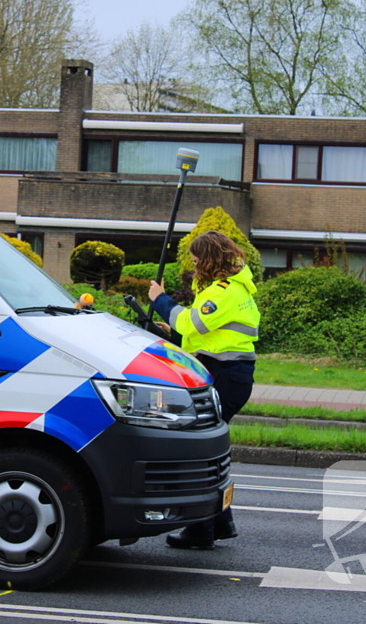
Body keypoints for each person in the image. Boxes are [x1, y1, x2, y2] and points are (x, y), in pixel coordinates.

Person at [147, 230, 259, 550]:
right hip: (225, 373)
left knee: (196, 452)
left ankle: (201, 530)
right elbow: (202, 333)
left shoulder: (225, 292)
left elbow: (193, 324)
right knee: (207, 453)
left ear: (210, 260)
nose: (195, 268)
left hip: (227, 375)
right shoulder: (222, 289)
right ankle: (218, 524)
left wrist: (161, 301)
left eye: (197, 262)